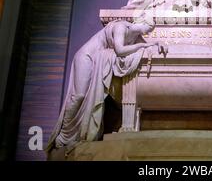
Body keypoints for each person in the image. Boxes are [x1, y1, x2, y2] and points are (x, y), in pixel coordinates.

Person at [46, 17, 165, 153]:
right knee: (78, 96)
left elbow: (149, 46)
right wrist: (142, 46)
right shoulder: (121, 27)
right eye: (149, 27)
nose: (149, 31)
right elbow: (120, 50)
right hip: (87, 57)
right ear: (141, 22)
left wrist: (157, 44)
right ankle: (63, 136)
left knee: (84, 98)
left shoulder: (136, 35)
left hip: (98, 61)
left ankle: (77, 136)